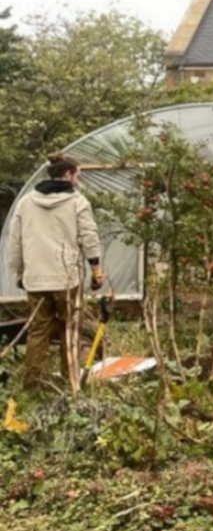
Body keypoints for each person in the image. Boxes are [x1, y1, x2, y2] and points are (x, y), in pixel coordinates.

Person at [8, 154, 103, 390]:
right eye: (77, 176)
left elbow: (15, 241)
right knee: (70, 330)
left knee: (38, 332)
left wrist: (19, 271)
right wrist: (96, 270)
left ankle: (32, 385)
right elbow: (89, 238)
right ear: (68, 175)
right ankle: (69, 382)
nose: (78, 181)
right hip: (67, 278)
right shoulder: (77, 202)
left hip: (36, 279)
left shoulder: (26, 202)